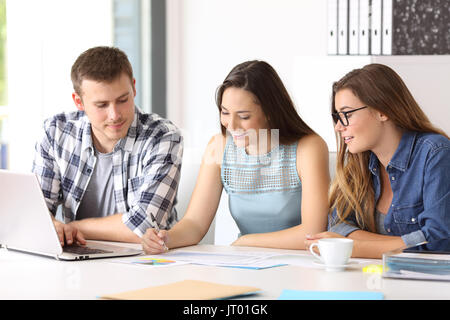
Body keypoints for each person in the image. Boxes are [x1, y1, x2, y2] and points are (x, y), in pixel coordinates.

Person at [142, 60, 330, 254]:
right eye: (225, 112)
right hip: (247, 263)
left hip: (302, 264)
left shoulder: (309, 148)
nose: (231, 125)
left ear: (270, 112)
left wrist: (247, 241)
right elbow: (195, 224)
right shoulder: (219, 147)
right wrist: (165, 238)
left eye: (244, 116)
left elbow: (313, 232)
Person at [32, 46, 183, 246]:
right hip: (78, 256)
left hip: (145, 260)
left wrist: (73, 228)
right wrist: (52, 225)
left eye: (122, 100)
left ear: (134, 88)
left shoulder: (162, 136)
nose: (115, 115)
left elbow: (145, 227)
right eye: (102, 105)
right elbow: (36, 214)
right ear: (79, 101)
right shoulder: (56, 132)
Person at [305, 63, 450, 259]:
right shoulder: (360, 161)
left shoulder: (435, 153)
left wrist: (355, 247)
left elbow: (438, 240)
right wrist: (394, 244)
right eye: (337, 117)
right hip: (372, 277)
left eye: (347, 114)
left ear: (383, 111)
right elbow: (338, 224)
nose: (339, 127)